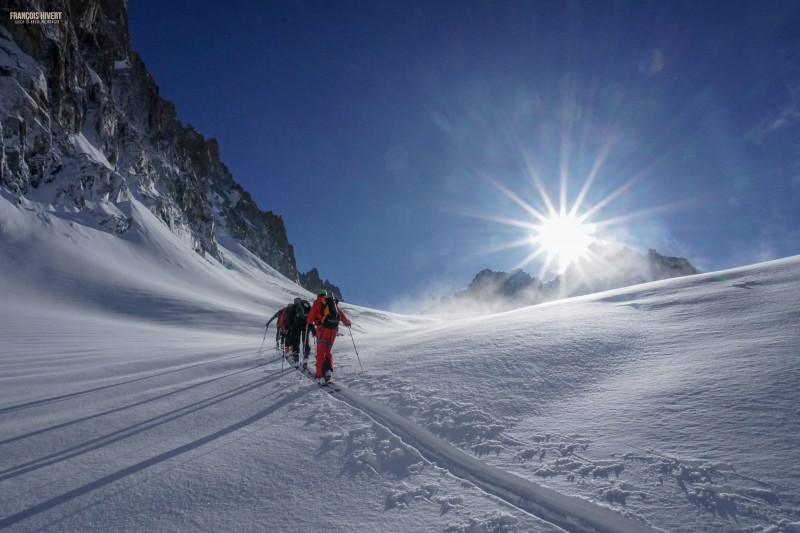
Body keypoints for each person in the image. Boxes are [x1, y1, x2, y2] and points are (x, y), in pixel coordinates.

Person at [306, 289, 350, 385]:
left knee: (320, 353)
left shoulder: (318, 303)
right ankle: (329, 370)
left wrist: (311, 325)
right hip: (333, 331)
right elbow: (341, 316)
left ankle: (319, 376)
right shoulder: (332, 303)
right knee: (328, 351)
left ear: (318, 295)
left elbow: (310, 318)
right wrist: (347, 323)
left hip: (323, 330)